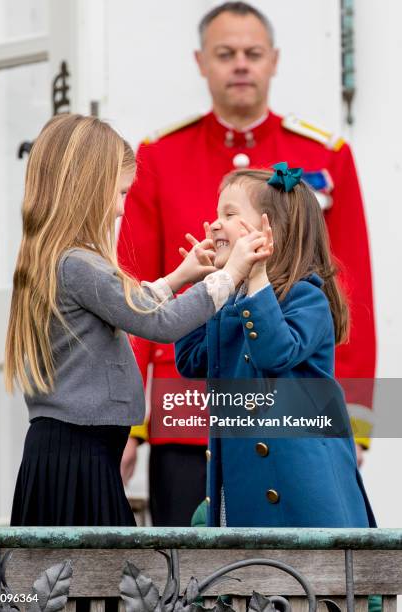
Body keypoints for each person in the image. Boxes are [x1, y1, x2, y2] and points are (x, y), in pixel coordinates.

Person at [118, 1, 376, 525]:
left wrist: (353, 419)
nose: (240, 64)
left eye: (252, 53)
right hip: (187, 414)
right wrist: (128, 422)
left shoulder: (326, 155)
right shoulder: (159, 156)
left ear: (274, 60)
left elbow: (350, 291)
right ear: (201, 62)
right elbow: (138, 293)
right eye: (226, 53)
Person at [4, 113, 267, 527]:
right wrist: (228, 275)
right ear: (88, 187)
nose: (122, 208)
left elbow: (131, 305)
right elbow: (157, 324)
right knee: (93, 585)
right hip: (80, 454)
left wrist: (180, 277)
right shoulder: (79, 265)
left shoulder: (65, 261)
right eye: (119, 193)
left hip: (79, 451)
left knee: (69, 587)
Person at [176, 164, 376, 527]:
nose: (215, 223)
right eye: (216, 213)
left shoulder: (307, 298)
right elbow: (190, 360)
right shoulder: (230, 302)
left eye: (230, 214)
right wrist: (205, 284)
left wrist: (254, 276)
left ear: (270, 231)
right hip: (244, 485)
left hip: (302, 491)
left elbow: (274, 353)